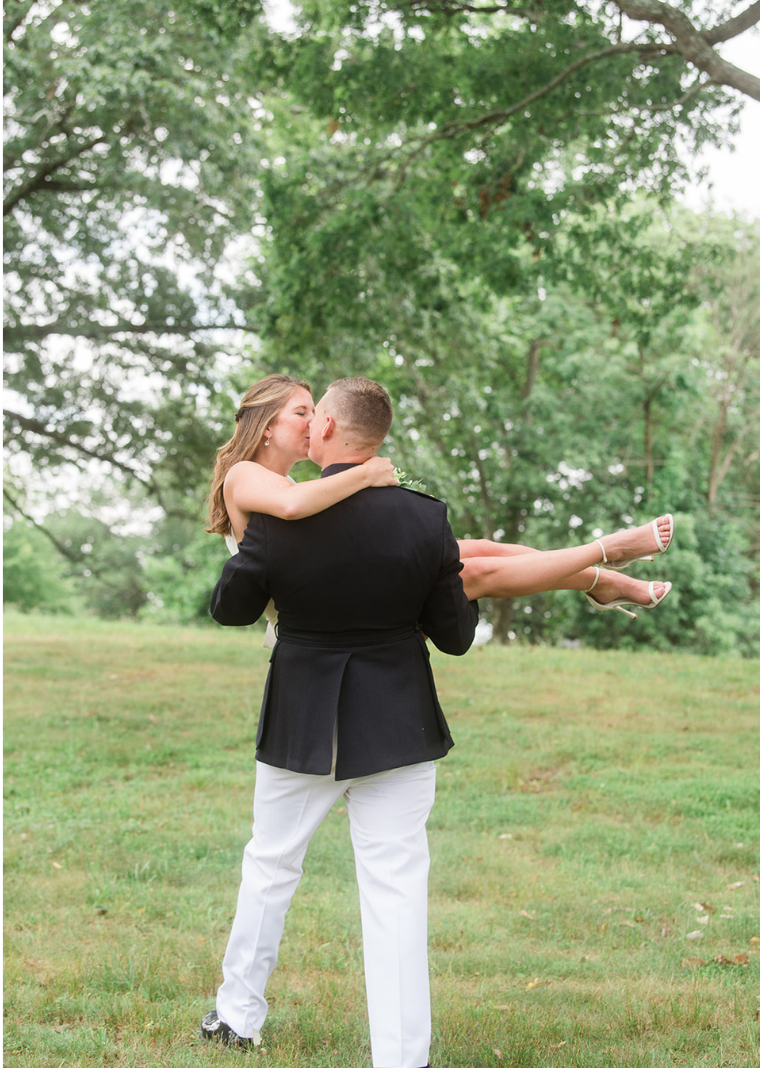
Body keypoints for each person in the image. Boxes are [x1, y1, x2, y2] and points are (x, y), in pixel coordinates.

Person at [197, 377, 667, 1066]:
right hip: (399, 723)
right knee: (395, 891)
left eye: (310, 412)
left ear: (327, 428)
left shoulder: (275, 521)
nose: (305, 423)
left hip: (304, 721)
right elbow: (452, 636)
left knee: (270, 866)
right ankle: (401, 1057)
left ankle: (238, 1017)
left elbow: (234, 605)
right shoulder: (417, 517)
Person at [207, 374, 673, 623]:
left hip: (339, 581)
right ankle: (608, 554)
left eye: (315, 412)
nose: (314, 423)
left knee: (481, 550)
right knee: (476, 570)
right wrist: (368, 471)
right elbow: (291, 510)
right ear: (266, 425)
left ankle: (598, 580)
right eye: (301, 412)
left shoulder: (292, 483)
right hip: (318, 611)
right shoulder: (245, 475)